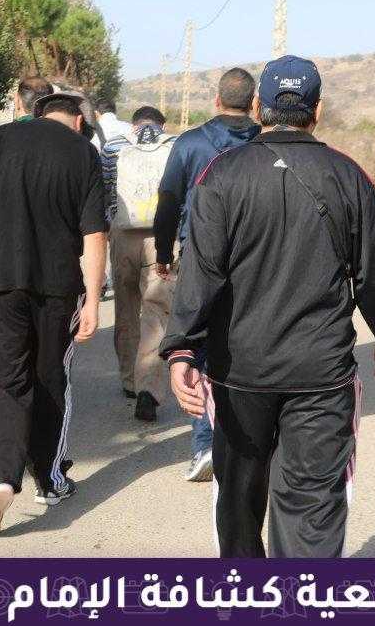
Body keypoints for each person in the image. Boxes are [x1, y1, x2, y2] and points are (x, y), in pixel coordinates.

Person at [160, 55, 375, 559]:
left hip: (239, 372)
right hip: (321, 374)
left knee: (239, 499)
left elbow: (200, 271)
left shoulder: (222, 174)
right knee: (312, 505)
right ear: (317, 110)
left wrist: (182, 349)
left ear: (259, 107)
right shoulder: (348, 175)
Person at [0, 91, 107, 537]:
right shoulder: (84, 152)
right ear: (78, 122)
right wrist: (93, 301)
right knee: (50, 380)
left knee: (3, 383)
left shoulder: (2, 138)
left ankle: (0, 479)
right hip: (59, 288)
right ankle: (50, 479)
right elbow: (95, 234)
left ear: (38, 114)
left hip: (2, 281)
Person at [150, 67, 259, 482]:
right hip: (252, 259)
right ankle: (245, 438)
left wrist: (164, 251)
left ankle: (204, 444)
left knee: (196, 344)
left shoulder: (190, 143)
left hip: (198, 256)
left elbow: (168, 200)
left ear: (216, 100)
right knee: (244, 343)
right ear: (253, 103)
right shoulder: (263, 143)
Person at [101, 106, 176, 422]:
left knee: (126, 306)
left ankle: (129, 380)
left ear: (133, 125)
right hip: (163, 236)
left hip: (123, 234)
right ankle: (149, 387)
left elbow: (106, 192)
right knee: (156, 310)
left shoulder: (113, 147)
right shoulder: (174, 146)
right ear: (162, 124)